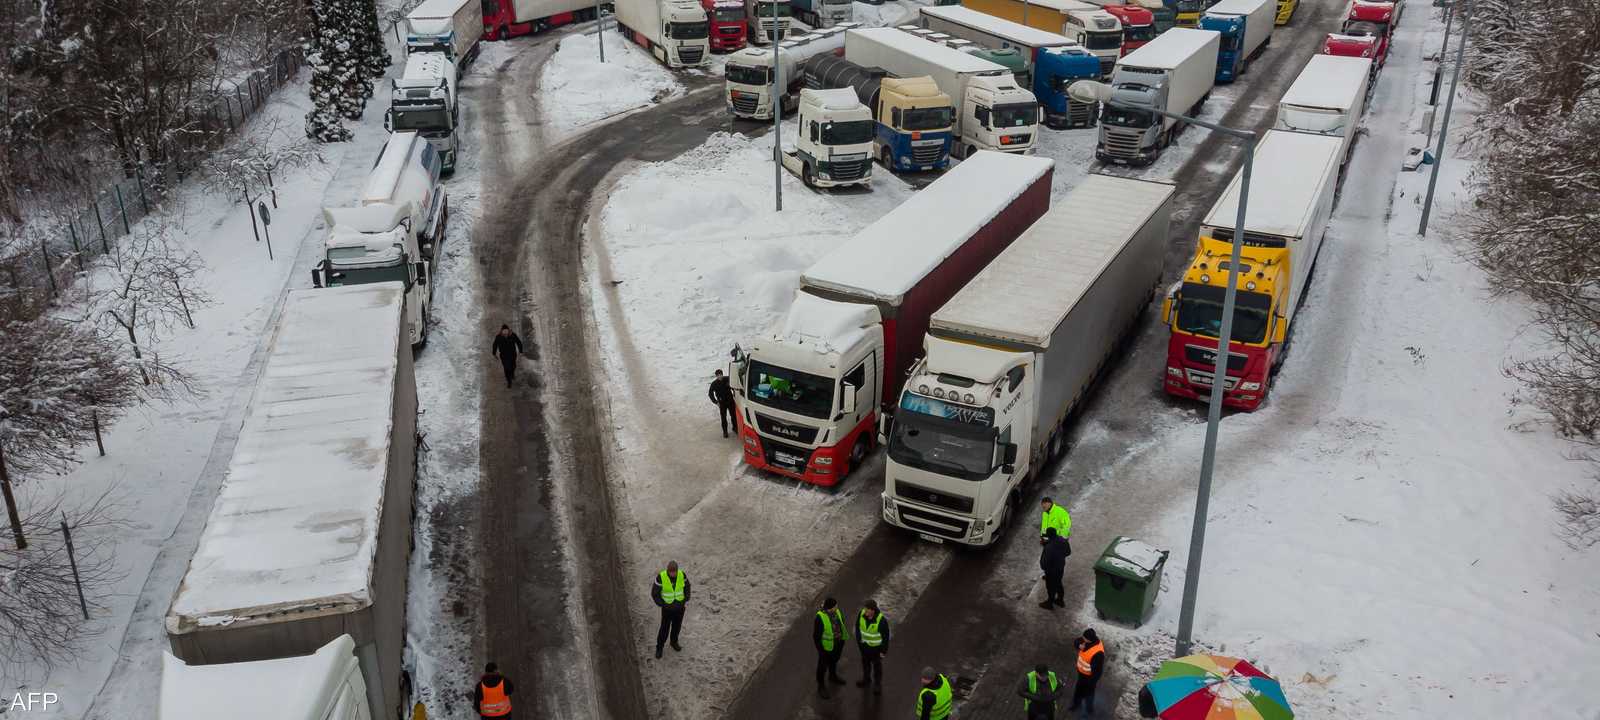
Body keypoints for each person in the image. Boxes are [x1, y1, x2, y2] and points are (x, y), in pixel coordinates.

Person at [651, 561, 690, 659]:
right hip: (667, 610)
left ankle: (674, 642)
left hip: (680, 608)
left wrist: (686, 598)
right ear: (668, 570)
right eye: (671, 572)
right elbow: (655, 593)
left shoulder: (682, 574)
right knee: (664, 628)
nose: (672, 574)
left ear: (677, 571)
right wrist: (663, 604)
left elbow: (687, 586)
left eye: (674, 572)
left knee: (677, 627)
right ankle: (659, 647)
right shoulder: (661, 577)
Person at [813, 597, 849, 698]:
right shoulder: (820, 617)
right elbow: (816, 636)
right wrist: (821, 650)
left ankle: (832, 676)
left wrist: (842, 640)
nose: (837, 607)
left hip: (838, 643)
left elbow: (842, 621)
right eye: (835, 606)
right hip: (826, 647)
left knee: (834, 661)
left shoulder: (837, 611)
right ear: (830, 608)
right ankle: (821, 686)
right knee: (822, 667)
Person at [1068, 629, 1105, 718]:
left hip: (1090, 678)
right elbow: (1077, 641)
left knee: (1089, 694)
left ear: (1089, 639)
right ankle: (1076, 704)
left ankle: (1088, 710)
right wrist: (1078, 645)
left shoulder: (1098, 653)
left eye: (1084, 638)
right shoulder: (1088, 639)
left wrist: (1091, 682)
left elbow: (1097, 671)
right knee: (1078, 690)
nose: (1082, 639)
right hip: (1082, 674)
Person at [856, 598, 889, 693]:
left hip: (876, 649)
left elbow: (885, 637)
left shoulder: (881, 621)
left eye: (867, 610)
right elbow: (858, 628)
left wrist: (883, 651)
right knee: (865, 665)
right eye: (864, 609)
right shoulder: (861, 614)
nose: (864, 611)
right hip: (864, 647)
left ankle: (877, 684)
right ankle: (866, 679)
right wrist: (859, 642)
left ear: (873, 610)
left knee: (877, 667)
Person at [1038, 527, 1069, 609]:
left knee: (1050, 587)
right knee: (1058, 583)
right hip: (1060, 567)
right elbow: (1068, 552)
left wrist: (1045, 568)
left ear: (1049, 536)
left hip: (1051, 571)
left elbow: (1044, 562)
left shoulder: (1049, 548)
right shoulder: (1062, 540)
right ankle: (1060, 600)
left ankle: (1049, 603)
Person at [709, 369, 737, 438]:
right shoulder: (714, 384)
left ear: (722, 374)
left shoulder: (727, 379)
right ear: (716, 376)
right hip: (722, 403)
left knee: (733, 416)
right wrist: (716, 402)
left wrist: (735, 394)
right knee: (723, 418)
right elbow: (710, 394)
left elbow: (735, 385)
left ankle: (735, 428)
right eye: (718, 375)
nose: (720, 376)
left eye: (721, 375)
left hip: (730, 401)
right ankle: (725, 432)